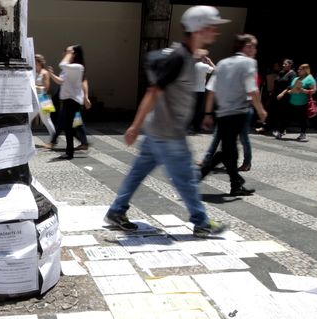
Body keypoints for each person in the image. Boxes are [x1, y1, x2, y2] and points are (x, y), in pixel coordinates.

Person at [104, 6, 229, 236]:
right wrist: (134, 125)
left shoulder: (186, 55)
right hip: (168, 133)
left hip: (158, 130)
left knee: (137, 173)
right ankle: (201, 222)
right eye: (212, 27)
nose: (216, 32)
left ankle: (116, 210)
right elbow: (154, 92)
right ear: (198, 29)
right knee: (186, 179)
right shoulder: (180, 58)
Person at [200, 34, 267, 195]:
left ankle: (236, 184)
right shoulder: (249, 63)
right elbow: (252, 89)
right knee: (227, 151)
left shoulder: (223, 63)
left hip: (222, 113)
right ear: (246, 47)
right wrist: (261, 110)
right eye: (253, 46)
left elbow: (211, 90)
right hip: (238, 113)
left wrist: (208, 113)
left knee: (230, 149)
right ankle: (198, 176)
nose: (255, 50)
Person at [48, 44, 87, 160]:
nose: (65, 53)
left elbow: (62, 64)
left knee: (70, 127)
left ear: (74, 54)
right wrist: (51, 74)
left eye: (69, 51)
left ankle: (70, 152)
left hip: (73, 101)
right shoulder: (70, 68)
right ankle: (71, 151)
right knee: (68, 127)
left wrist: (69, 54)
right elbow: (60, 81)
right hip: (67, 101)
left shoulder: (78, 67)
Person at [276, 64, 315, 142]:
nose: (298, 70)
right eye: (298, 69)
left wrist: (303, 90)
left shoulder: (310, 79)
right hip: (292, 102)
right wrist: (284, 93)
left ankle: (303, 134)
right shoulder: (296, 78)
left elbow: (314, 91)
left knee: (302, 119)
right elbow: (290, 88)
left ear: (305, 70)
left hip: (302, 103)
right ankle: (281, 132)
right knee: (286, 117)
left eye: (300, 69)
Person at [270, 59, 297, 136]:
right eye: (283, 64)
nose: (283, 65)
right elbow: (277, 82)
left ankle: (281, 129)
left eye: (285, 64)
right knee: (275, 112)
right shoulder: (281, 72)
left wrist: (282, 93)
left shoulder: (292, 74)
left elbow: (291, 86)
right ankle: (274, 128)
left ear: (290, 65)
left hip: (285, 96)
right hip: (277, 95)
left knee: (283, 113)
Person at [190, 55, 215, 133]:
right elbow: (217, 71)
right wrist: (210, 62)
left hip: (190, 90)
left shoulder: (191, 65)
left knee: (191, 109)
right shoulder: (204, 66)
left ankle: (189, 127)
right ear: (203, 58)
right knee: (198, 110)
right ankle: (195, 128)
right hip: (199, 91)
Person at [34, 54, 56, 138]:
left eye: (35, 61)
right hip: (35, 99)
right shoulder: (34, 72)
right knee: (27, 119)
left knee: (46, 120)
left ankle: (53, 139)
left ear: (39, 62)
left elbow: (46, 88)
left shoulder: (45, 72)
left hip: (44, 99)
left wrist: (34, 86)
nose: (34, 63)